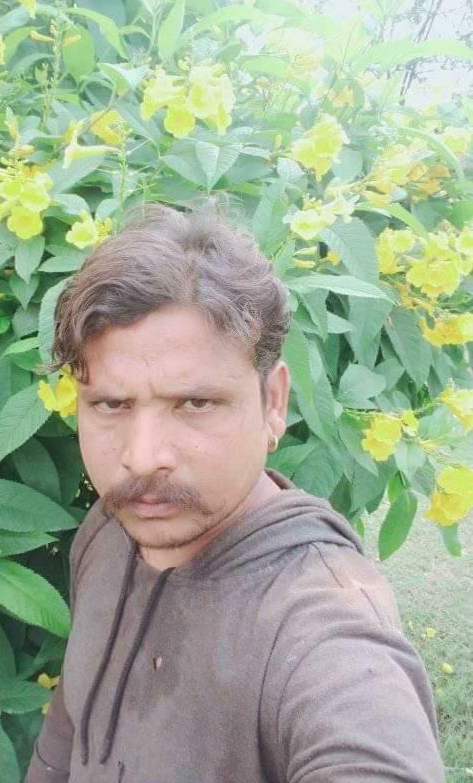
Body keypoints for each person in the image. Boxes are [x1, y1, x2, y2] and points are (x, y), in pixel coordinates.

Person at [24, 202, 444, 783]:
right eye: (111, 405)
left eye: (195, 403)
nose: (143, 457)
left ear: (273, 403)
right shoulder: (107, 529)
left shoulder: (320, 630)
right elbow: (70, 725)